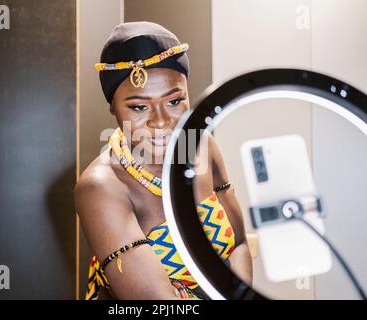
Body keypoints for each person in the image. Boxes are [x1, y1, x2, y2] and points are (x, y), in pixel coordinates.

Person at [74, 21, 252, 300]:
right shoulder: (101, 187)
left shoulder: (203, 146)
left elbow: (239, 245)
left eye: (173, 101)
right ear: (113, 106)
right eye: (139, 107)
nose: (161, 122)